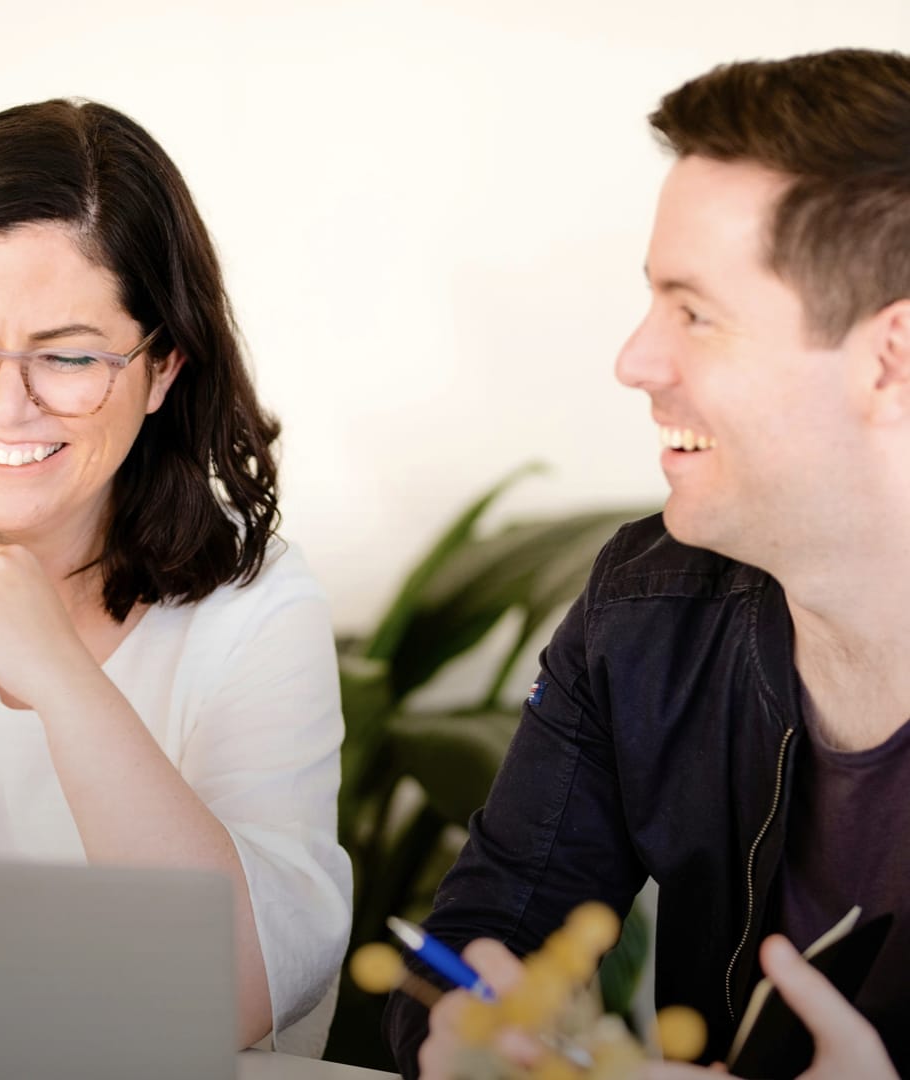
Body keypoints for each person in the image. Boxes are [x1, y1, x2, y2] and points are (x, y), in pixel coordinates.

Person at [384, 48, 910, 1078]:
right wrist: (468, 1035)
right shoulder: (646, 609)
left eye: (695, 312)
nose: (635, 360)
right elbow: (478, 945)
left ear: (891, 361)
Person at [0, 99, 351, 1056]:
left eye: (69, 357)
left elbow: (235, 993)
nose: (4, 403)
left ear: (164, 368)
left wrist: (67, 681)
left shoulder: (258, 606)